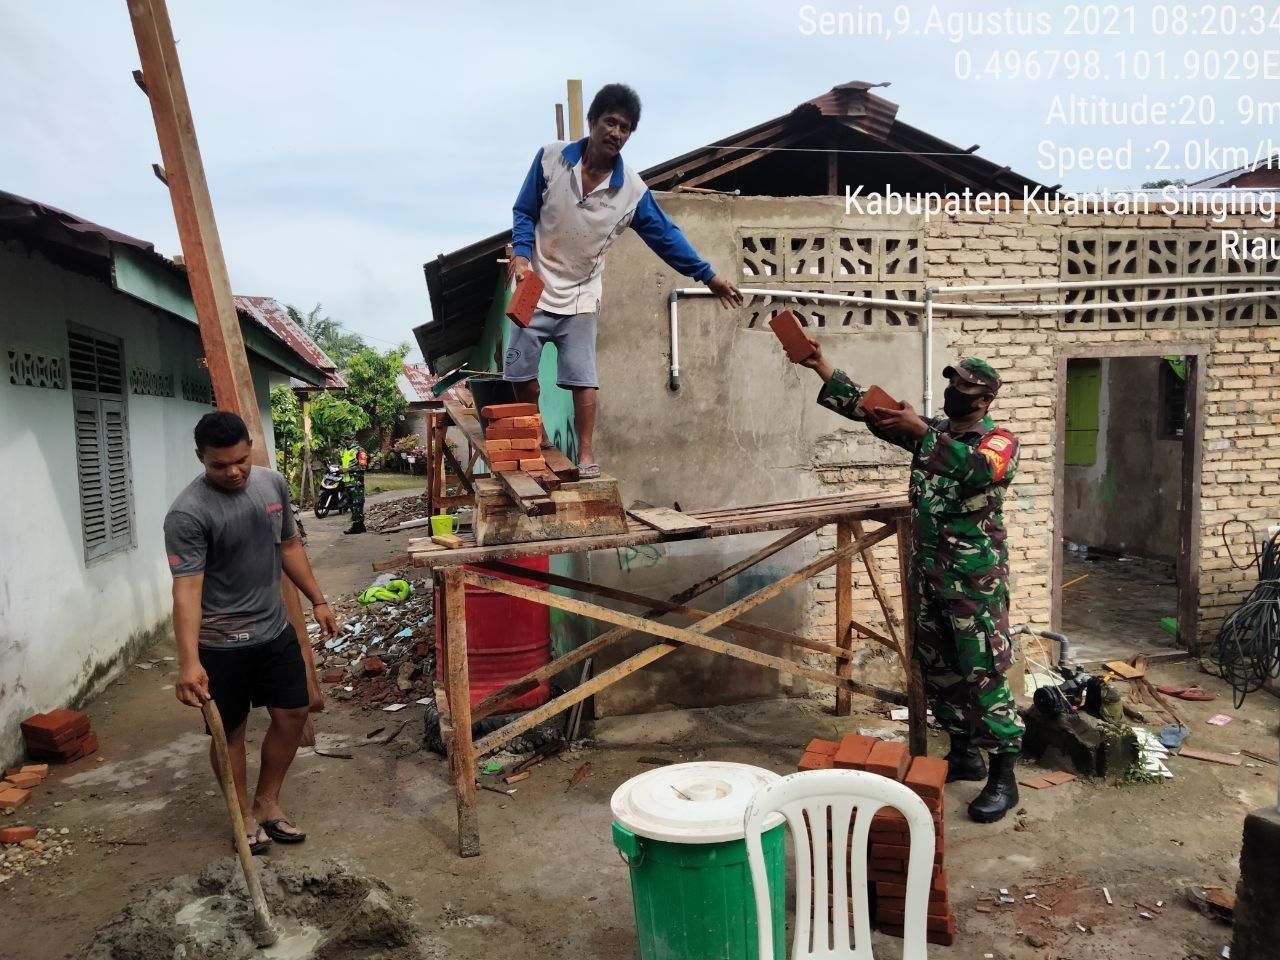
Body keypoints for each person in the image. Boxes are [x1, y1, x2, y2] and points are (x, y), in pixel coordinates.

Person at [799, 345, 1024, 823]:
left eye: (963, 386)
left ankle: (1004, 778)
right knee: (939, 669)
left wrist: (920, 431)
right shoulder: (934, 434)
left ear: (983, 399)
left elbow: (978, 469)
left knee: (982, 673)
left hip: (973, 586)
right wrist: (819, 363)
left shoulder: (997, 441)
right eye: (952, 382)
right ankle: (965, 753)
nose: (953, 391)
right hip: (930, 578)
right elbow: (872, 412)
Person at [507, 82, 744, 479]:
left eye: (626, 127)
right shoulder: (551, 159)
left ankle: (585, 452)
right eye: (610, 122)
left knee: (583, 378)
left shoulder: (631, 191)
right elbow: (524, 210)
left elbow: (665, 236)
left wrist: (708, 276)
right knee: (520, 374)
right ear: (593, 122)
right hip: (536, 283)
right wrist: (521, 256)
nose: (616, 133)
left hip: (582, 292)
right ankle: (538, 438)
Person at [164, 411, 338, 852]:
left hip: (273, 627)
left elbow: (289, 545)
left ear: (249, 449)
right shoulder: (188, 514)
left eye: (240, 460)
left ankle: (267, 803)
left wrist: (317, 599)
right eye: (219, 465)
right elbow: (186, 589)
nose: (234, 471)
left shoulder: (271, 484)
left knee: (293, 713)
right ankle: (241, 812)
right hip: (221, 643)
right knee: (232, 732)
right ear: (200, 457)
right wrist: (189, 662)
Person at [340, 434, 368, 535]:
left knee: (357, 503)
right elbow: (344, 464)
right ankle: (360, 525)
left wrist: (348, 469)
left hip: (356, 482)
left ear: (354, 439)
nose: (346, 441)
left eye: (348, 439)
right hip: (347, 481)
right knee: (351, 504)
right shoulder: (345, 451)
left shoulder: (359, 450)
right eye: (345, 439)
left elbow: (363, 466)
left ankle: (357, 525)